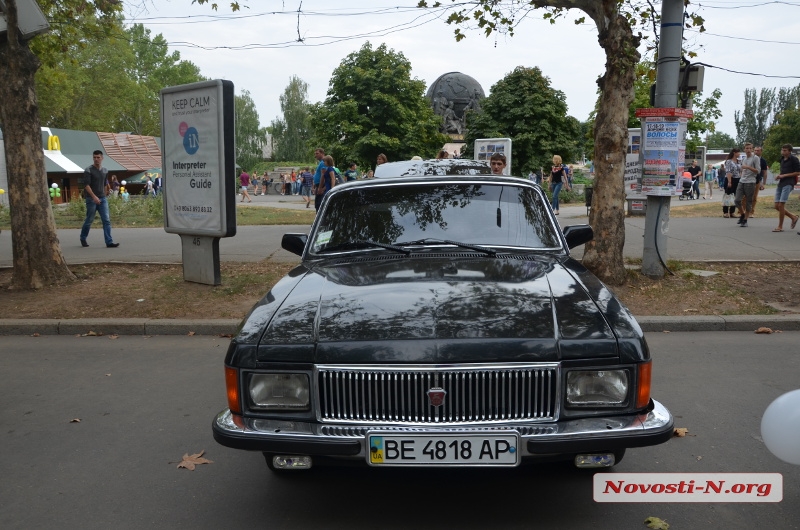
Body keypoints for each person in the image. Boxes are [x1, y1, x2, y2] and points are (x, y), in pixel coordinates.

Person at [80, 150, 118, 248]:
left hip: (102, 198)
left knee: (106, 220)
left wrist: (104, 194)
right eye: (94, 157)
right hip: (91, 198)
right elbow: (86, 185)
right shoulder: (88, 170)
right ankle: (83, 238)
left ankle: (109, 242)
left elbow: (105, 183)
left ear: (102, 158)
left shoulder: (105, 170)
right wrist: (94, 197)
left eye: (98, 157)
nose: (96, 159)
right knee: (89, 220)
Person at [773, 144, 800, 232]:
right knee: (776, 206)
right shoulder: (782, 159)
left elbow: (797, 172)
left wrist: (784, 175)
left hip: (789, 183)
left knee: (781, 205)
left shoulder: (794, 159)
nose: (783, 151)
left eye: (785, 150)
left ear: (789, 151)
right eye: (782, 150)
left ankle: (780, 226)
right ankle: (793, 217)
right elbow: (782, 171)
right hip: (781, 183)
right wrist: (779, 176)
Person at [734, 142, 761, 227]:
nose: (748, 150)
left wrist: (748, 167)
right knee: (737, 200)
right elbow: (742, 169)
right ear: (744, 149)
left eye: (750, 148)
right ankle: (742, 215)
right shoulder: (744, 159)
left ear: (752, 149)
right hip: (742, 181)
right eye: (747, 148)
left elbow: (758, 171)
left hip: (751, 182)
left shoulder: (755, 158)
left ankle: (745, 219)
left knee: (749, 201)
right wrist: (741, 174)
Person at [722, 148, 741, 218]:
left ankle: (732, 212)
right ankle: (725, 212)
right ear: (734, 153)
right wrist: (729, 182)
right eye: (738, 152)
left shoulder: (738, 161)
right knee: (728, 195)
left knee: (735, 196)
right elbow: (728, 172)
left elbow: (740, 171)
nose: (739, 154)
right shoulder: (729, 161)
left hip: (737, 179)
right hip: (730, 179)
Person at [753, 145, 769, 215]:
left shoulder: (763, 161)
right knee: (745, 197)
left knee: (754, 197)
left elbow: (765, 172)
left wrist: (763, 183)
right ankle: (742, 211)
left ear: (761, 151)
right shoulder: (750, 158)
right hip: (747, 180)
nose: (756, 152)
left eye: (758, 150)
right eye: (755, 150)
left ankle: (751, 212)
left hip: (757, 180)